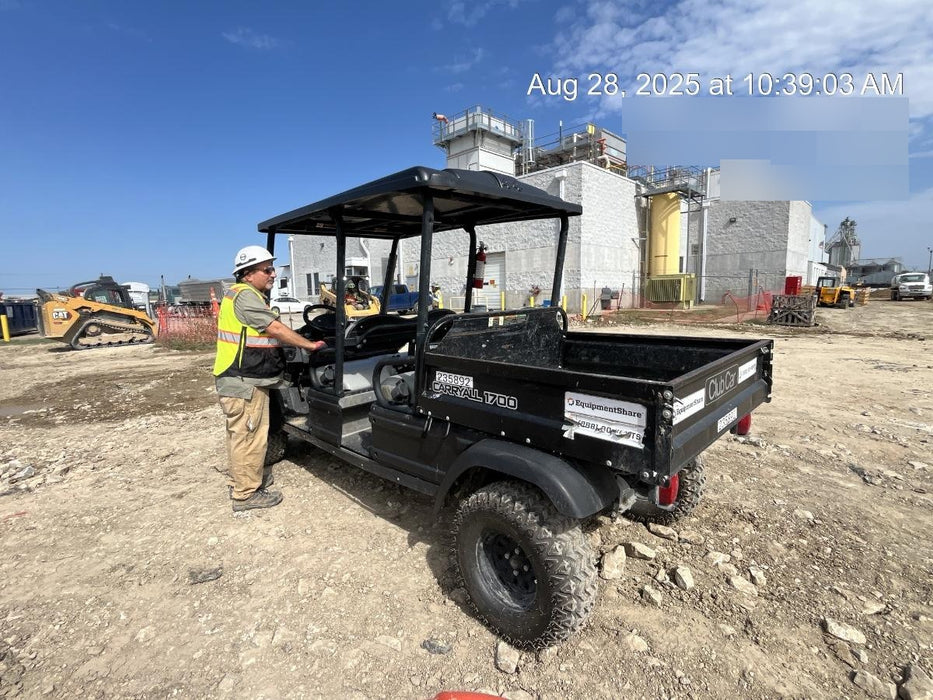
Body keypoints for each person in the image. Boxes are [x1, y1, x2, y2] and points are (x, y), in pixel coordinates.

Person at [214, 245, 327, 512]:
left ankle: (242, 481)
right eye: (267, 269)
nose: (273, 274)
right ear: (248, 274)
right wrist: (309, 346)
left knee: (242, 435)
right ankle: (245, 495)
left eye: (272, 268)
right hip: (242, 382)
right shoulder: (245, 296)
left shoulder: (245, 295)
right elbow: (274, 328)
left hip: (242, 379)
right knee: (249, 436)